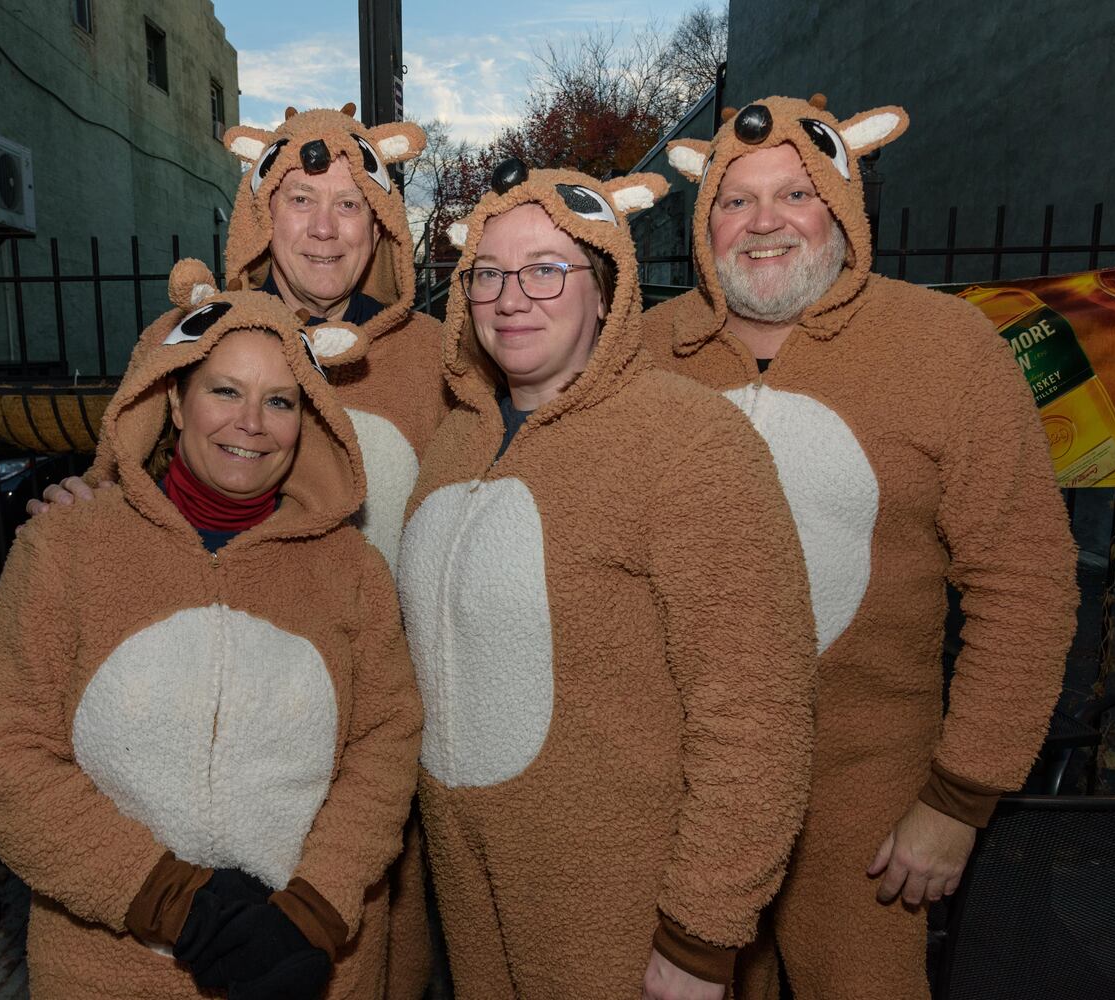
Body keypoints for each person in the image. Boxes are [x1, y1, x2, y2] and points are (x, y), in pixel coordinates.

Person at [643, 94, 1079, 1000]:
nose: (763, 223)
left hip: (870, 803)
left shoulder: (948, 349)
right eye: (734, 199)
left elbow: (1026, 585)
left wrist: (960, 799)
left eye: (796, 194)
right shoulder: (644, 354)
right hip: (672, 797)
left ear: (845, 205)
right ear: (703, 221)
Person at [25, 104, 448, 1000]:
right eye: (300, 198)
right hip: (194, 727)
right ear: (262, 209)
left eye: (349, 203)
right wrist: (77, 500)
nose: (325, 228)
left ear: (382, 220)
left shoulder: (438, 359)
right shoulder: (180, 337)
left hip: (382, 730)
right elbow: (121, 490)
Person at [395, 159, 819, 1000]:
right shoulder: (453, 444)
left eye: (548, 270)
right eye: (488, 274)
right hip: (470, 884)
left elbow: (757, 707)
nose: (512, 298)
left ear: (606, 289)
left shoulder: (688, 440)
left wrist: (702, 934)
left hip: (624, 897)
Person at [0, 261, 422, 1000]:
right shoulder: (65, 547)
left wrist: (313, 908)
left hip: (308, 961)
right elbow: (3, 750)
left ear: (309, 420)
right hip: (109, 970)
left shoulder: (352, 571)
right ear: (174, 400)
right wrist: (175, 903)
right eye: (225, 391)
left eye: (280, 401)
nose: (251, 424)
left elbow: (386, 745)